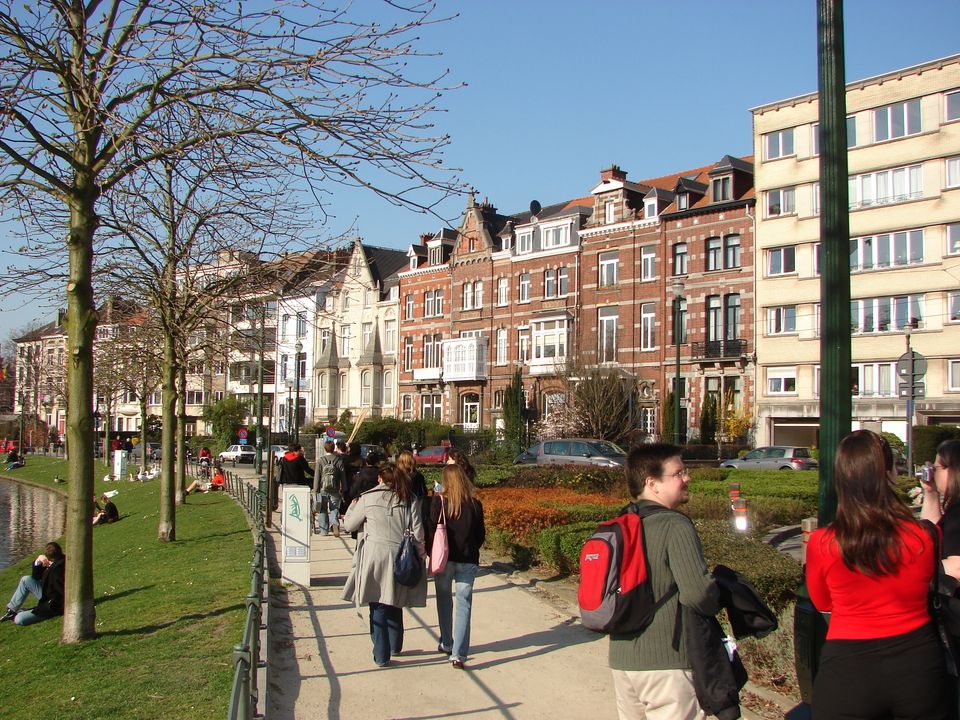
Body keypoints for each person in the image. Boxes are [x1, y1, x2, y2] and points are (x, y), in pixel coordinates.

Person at [807, 429, 950, 720]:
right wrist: (930, 494)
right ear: (890, 474)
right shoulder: (924, 537)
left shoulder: (823, 543)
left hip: (848, 669)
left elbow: (822, 601)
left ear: (843, 478)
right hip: (918, 664)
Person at [609, 443, 718, 720]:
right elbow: (697, 595)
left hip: (623, 659)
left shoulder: (620, 522)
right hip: (667, 662)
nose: (687, 478)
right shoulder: (675, 525)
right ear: (652, 483)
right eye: (678, 473)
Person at [341, 463, 427, 667]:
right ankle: (396, 644)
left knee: (377, 602)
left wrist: (352, 505)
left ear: (380, 478)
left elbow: (349, 525)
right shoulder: (409, 499)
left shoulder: (367, 498)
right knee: (395, 600)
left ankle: (381, 653)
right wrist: (420, 554)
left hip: (374, 555)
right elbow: (418, 533)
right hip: (400, 554)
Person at [427, 463, 485, 670]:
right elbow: (480, 536)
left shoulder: (439, 502)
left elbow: (431, 530)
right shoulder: (475, 504)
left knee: (444, 601)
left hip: (445, 559)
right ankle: (458, 654)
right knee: (464, 605)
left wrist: (430, 553)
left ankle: (446, 641)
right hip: (468, 559)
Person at [1, 542, 66, 625]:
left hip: (54, 604)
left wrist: (49, 568)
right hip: (48, 594)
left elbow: (61, 591)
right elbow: (36, 577)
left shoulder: (57, 568)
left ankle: (22, 612)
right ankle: (11, 610)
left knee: (19, 619)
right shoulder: (55, 563)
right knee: (26, 580)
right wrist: (38, 562)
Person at [314, 440, 346, 536]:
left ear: (325, 449)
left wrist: (315, 490)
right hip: (335, 488)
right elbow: (342, 476)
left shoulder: (320, 460)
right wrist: (344, 487)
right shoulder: (338, 460)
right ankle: (335, 524)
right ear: (334, 449)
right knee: (334, 508)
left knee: (323, 509)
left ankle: (324, 530)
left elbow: (317, 476)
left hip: (323, 488)